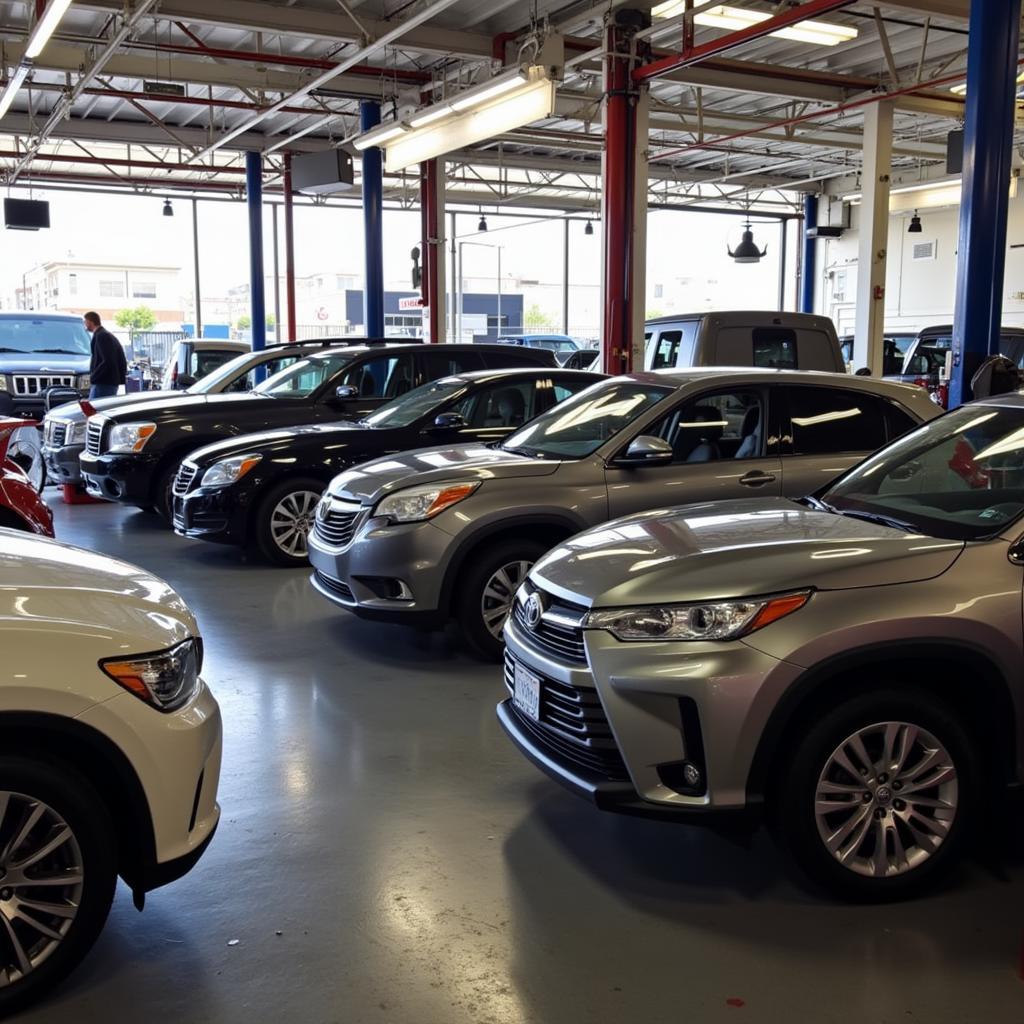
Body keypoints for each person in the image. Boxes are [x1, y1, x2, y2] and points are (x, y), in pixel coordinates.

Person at [83, 312, 127, 399]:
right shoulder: (106, 335)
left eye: (85, 322)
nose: (85, 324)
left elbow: (107, 361)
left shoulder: (102, 336)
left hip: (103, 383)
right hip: (108, 382)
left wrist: (94, 377)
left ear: (90, 322)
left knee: (95, 409)